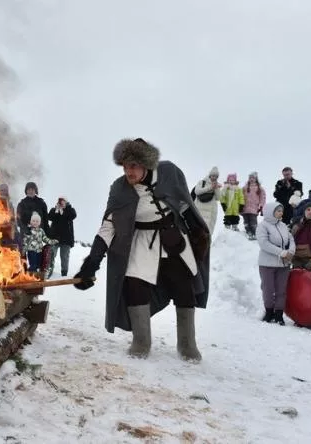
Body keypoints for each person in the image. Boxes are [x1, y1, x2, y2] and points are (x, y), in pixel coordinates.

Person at [73, 138, 210, 362]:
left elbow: (184, 203)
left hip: (174, 239)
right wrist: (91, 263)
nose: (129, 171)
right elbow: (108, 226)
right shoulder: (119, 189)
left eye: (134, 166)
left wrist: (197, 231)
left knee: (184, 289)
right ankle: (141, 343)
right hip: (141, 243)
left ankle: (187, 345)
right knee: (136, 288)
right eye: (125, 166)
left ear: (146, 164)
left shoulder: (169, 173)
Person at [256, 202, 295, 325]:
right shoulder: (263, 226)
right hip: (267, 263)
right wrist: (281, 252)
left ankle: (279, 314)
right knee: (268, 289)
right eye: (278, 210)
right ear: (270, 211)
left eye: (281, 210)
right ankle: (268, 312)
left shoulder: (283, 226)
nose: (281, 213)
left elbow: (291, 240)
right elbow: (264, 243)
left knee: (281, 290)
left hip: (283, 264)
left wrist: (290, 252)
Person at [48, 196, 77, 277]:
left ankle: (64, 274)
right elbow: (49, 217)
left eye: (63, 200)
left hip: (66, 239)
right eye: (60, 201)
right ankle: (49, 271)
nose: (61, 202)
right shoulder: (54, 209)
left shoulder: (70, 209)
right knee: (51, 254)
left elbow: (73, 215)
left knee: (64, 257)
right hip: (54, 237)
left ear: (66, 201)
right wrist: (56, 210)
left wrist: (65, 208)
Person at [192, 167, 222, 235]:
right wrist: (210, 187)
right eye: (213, 175)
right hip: (199, 210)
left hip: (210, 213)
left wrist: (216, 188)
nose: (214, 177)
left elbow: (218, 198)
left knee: (206, 234)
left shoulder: (216, 185)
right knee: (196, 231)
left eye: (216, 176)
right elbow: (197, 191)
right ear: (210, 175)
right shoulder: (202, 182)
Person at [242, 172, 266, 240]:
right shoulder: (244, 188)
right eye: (250, 178)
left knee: (253, 222)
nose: (251, 179)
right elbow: (240, 197)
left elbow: (262, 197)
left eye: (253, 178)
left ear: (256, 179)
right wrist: (240, 205)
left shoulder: (259, 188)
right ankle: (248, 232)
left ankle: (255, 233)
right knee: (246, 221)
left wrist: (261, 206)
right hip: (245, 208)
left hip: (254, 208)